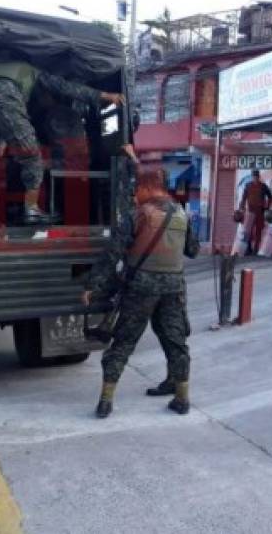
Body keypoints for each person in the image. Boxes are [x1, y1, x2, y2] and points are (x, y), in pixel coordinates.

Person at [83, 167, 196, 417]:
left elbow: (112, 253)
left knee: (123, 343)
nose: (135, 195)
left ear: (147, 187)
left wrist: (94, 285)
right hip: (173, 289)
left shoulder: (137, 215)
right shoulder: (181, 214)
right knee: (176, 342)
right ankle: (182, 398)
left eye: (137, 189)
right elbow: (193, 250)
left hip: (140, 290)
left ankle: (105, 401)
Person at [0, 60, 123, 228]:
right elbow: (65, 87)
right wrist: (105, 96)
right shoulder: (32, 70)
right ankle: (31, 209)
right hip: (6, 101)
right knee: (31, 156)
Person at [238, 169, 272, 255]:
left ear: (258, 177)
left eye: (256, 176)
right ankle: (248, 248)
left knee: (258, 231)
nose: (255, 178)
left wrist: (267, 207)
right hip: (250, 211)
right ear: (252, 177)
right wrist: (241, 208)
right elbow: (243, 198)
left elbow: (270, 196)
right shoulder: (248, 185)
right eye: (253, 176)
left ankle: (256, 249)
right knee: (248, 231)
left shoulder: (263, 186)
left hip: (260, 211)